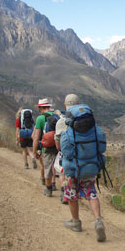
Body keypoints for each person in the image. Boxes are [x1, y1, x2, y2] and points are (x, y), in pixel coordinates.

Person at [57, 94, 106, 242]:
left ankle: (76, 222)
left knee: (72, 195)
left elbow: (65, 151)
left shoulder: (65, 129)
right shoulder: (95, 129)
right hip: (90, 167)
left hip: (73, 169)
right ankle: (98, 220)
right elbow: (101, 148)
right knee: (91, 193)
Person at [32, 99, 57, 197]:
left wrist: (34, 151)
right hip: (59, 146)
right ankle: (60, 188)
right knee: (58, 167)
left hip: (47, 147)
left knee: (47, 168)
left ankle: (49, 189)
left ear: (40, 108)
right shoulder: (57, 115)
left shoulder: (40, 118)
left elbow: (36, 137)